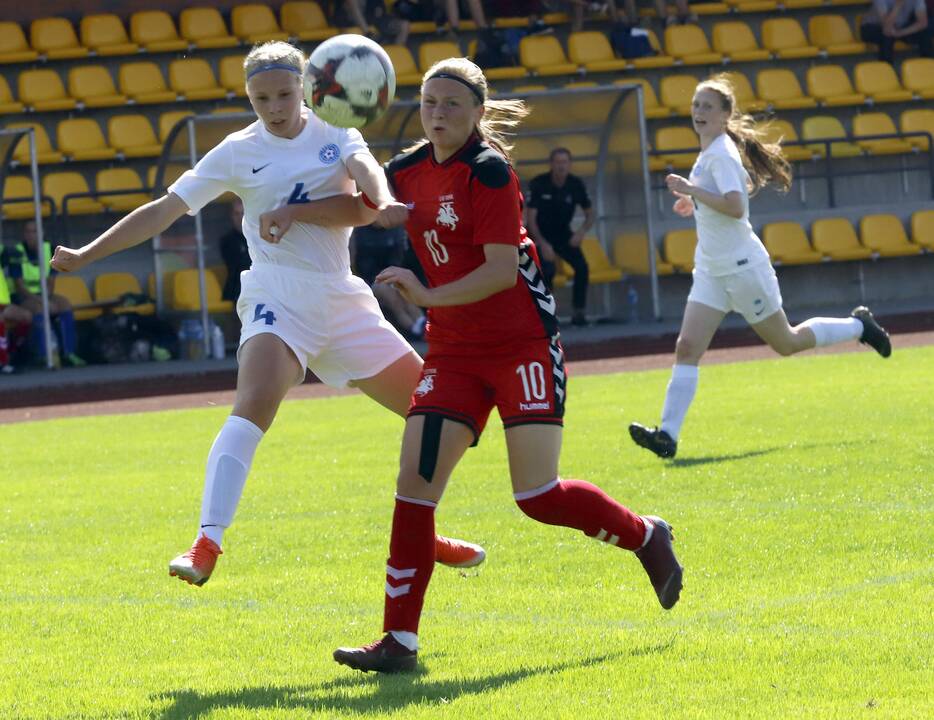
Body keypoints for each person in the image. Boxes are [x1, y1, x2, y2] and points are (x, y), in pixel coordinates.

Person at [51, 40, 485, 588]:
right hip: (275, 295)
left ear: (305, 88)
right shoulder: (237, 150)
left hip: (343, 300)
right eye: (262, 98)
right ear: (249, 97)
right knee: (253, 405)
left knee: (444, 417)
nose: (275, 107)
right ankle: (206, 541)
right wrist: (87, 255)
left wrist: (384, 201)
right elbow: (164, 211)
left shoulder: (336, 129)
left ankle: (422, 527)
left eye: (284, 94)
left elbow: (368, 177)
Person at [332, 57, 683, 674]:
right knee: (414, 487)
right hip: (454, 353)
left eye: (451, 105)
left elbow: (498, 273)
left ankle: (645, 535)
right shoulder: (407, 170)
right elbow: (360, 206)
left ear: (476, 113)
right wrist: (283, 210)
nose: (437, 114)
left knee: (537, 495)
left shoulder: (490, 172)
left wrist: (424, 295)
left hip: (521, 344)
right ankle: (398, 642)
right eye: (428, 102)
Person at [627, 74, 892, 460]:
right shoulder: (709, 153)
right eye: (696, 104)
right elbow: (723, 199)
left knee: (786, 342)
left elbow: (736, 207)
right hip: (712, 269)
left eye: (707, 106)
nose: (698, 111)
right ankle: (666, 435)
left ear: (723, 117)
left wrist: (691, 191)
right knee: (687, 348)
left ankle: (859, 325)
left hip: (741, 267)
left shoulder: (720, 153)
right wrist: (694, 202)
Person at [1, 220, 85, 367]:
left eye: (34, 231)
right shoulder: (16, 251)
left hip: (45, 294)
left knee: (64, 304)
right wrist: (41, 300)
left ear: (41, 233)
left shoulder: (49, 249)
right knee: (39, 309)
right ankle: (43, 355)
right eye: (28, 231)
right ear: (24, 234)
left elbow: (51, 281)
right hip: (24, 296)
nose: (31, 235)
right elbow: (19, 285)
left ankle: (69, 353)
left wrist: (46, 298)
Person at [526, 147, 594, 326]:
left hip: (564, 233)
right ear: (551, 164)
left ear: (569, 164)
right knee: (547, 270)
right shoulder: (539, 183)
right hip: (540, 234)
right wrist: (542, 243)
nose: (561, 166)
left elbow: (590, 214)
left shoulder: (575, 184)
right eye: (557, 162)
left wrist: (580, 233)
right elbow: (530, 219)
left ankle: (578, 312)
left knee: (582, 267)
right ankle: (547, 315)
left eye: (564, 162)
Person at [351, 223, 426, 339]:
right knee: (392, 297)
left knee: (405, 294)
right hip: (368, 282)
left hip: (390, 277)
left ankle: (422, 324)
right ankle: (414, 330)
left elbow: (398, 258)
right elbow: (354, 263)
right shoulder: (357, 231)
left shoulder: (395, 229)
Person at [860, 0, 931, 64]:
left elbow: (923, 23)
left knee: (925, 32)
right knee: (887, 36)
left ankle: (927, 65)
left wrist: (900, 33)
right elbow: (886, 26)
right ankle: (886, 69)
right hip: (871, 26)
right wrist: (898, 6)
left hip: (898, 26)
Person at [218, 197, 250, 302]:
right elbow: (238, 264)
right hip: (237, 292)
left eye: (243, 213)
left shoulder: (256, 237)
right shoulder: (227, 240)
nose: (240, 217)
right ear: (231, 216)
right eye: (237, 214)